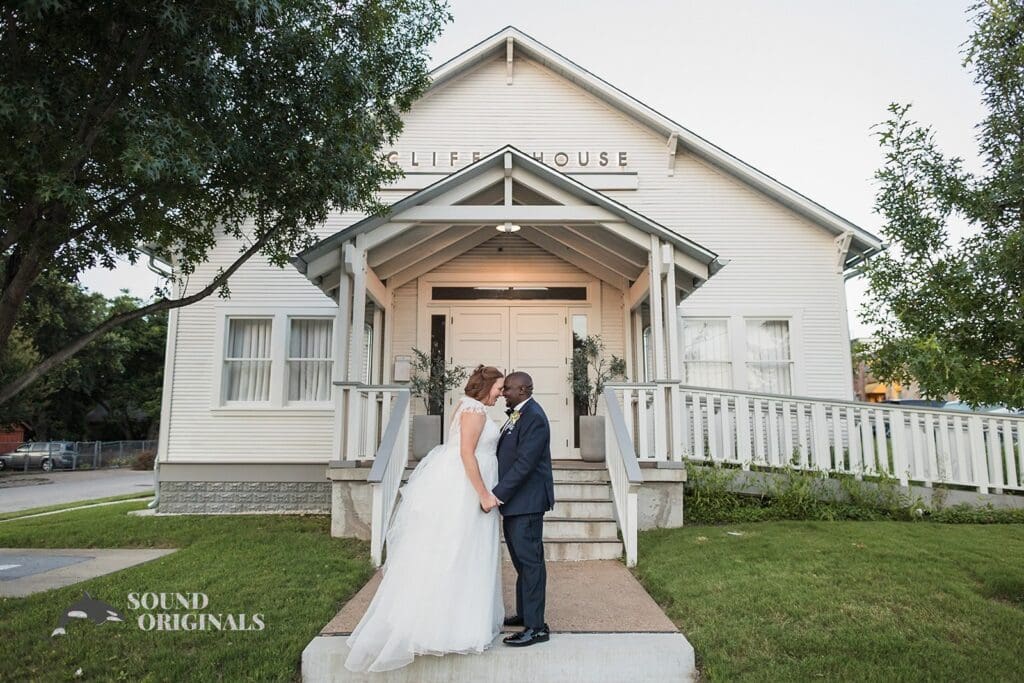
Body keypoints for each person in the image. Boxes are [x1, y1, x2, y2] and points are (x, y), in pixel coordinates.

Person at [344, 365, 506, 673]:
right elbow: (467, 454)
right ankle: (453, 627)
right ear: (486, 387)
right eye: (498, 388)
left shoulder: (468, 405)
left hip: (463, 484)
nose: (500, 393)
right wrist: (484, 493)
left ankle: (459, 620)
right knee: (460, 553)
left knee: (460, 553)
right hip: (467, 489)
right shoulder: (475, 411)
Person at [493, 371, 555, 647]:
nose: (504, 392)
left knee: (530, 563)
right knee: (521, 562)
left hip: (526, 503)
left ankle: (536, 627)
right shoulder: (518, 413)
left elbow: (525, 464)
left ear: (524, 389)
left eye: (508, 388)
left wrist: (497, 495)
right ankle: (525, 614)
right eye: (503, 388)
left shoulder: (534, 418)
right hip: (516, 503)